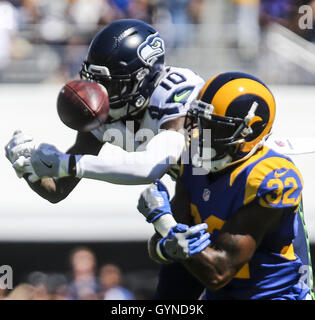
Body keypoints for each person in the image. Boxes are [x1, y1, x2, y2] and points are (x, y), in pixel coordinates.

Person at [138, 72, 314, 300]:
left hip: (274, 296)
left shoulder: (270, 178)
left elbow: (219, 272)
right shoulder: (191, 158)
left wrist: (164, 223)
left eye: (214, 127)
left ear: (248, 130)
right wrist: (167, 241)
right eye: (200, 122)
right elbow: (161, 248)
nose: (201, 135)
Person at [5, 19, 205, 218]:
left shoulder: (174, 92)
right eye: (94, 80)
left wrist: (67, 163)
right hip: (197, 188)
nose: (99, 92)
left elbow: (150, 167)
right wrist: (29, 169)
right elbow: (58, 189)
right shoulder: (106, 114)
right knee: (166, 244)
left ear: (144, 78)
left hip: (229, 177)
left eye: (110, 84)